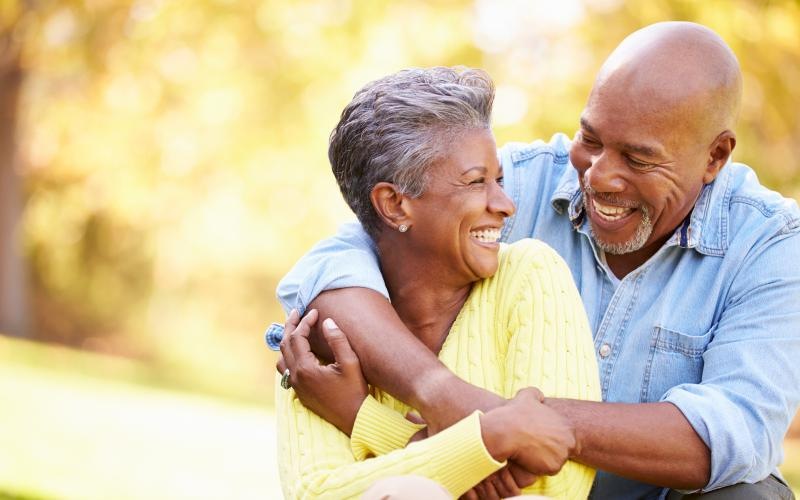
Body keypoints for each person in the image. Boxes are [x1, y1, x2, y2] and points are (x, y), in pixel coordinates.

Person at [273, 22, 800, 499]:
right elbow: (338, 264)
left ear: (715, 157)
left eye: (638, 159)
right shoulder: (515, 183)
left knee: (749, 497)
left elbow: (732, 431)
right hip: (503, 483)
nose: (598, 176)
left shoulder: (772, 244)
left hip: (647, 494)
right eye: (589, 139)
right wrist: (441, 393)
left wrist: (500, 423)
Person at [271, 67, 601, 499]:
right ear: (395, 205)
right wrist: (491, 439)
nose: (505, 204)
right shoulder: (321, 338)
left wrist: (364, 419)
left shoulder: (530, 275)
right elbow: (318, 494)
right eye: (476, 181)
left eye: (498, 179)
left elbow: (557, 483)